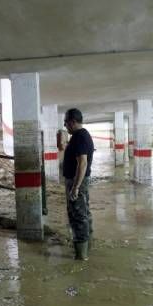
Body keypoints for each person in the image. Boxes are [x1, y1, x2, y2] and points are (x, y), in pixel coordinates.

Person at [62, 108, 94, 261]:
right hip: (78, 181)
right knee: (84, 214)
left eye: (66, 123)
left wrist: (75, 187)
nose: (65, 126)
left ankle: (81, 256)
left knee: (78, 216)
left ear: (73, 122)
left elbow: (82, 163)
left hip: (77, 182)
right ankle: (88, 248)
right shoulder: (80, 136)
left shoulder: (80, 137)